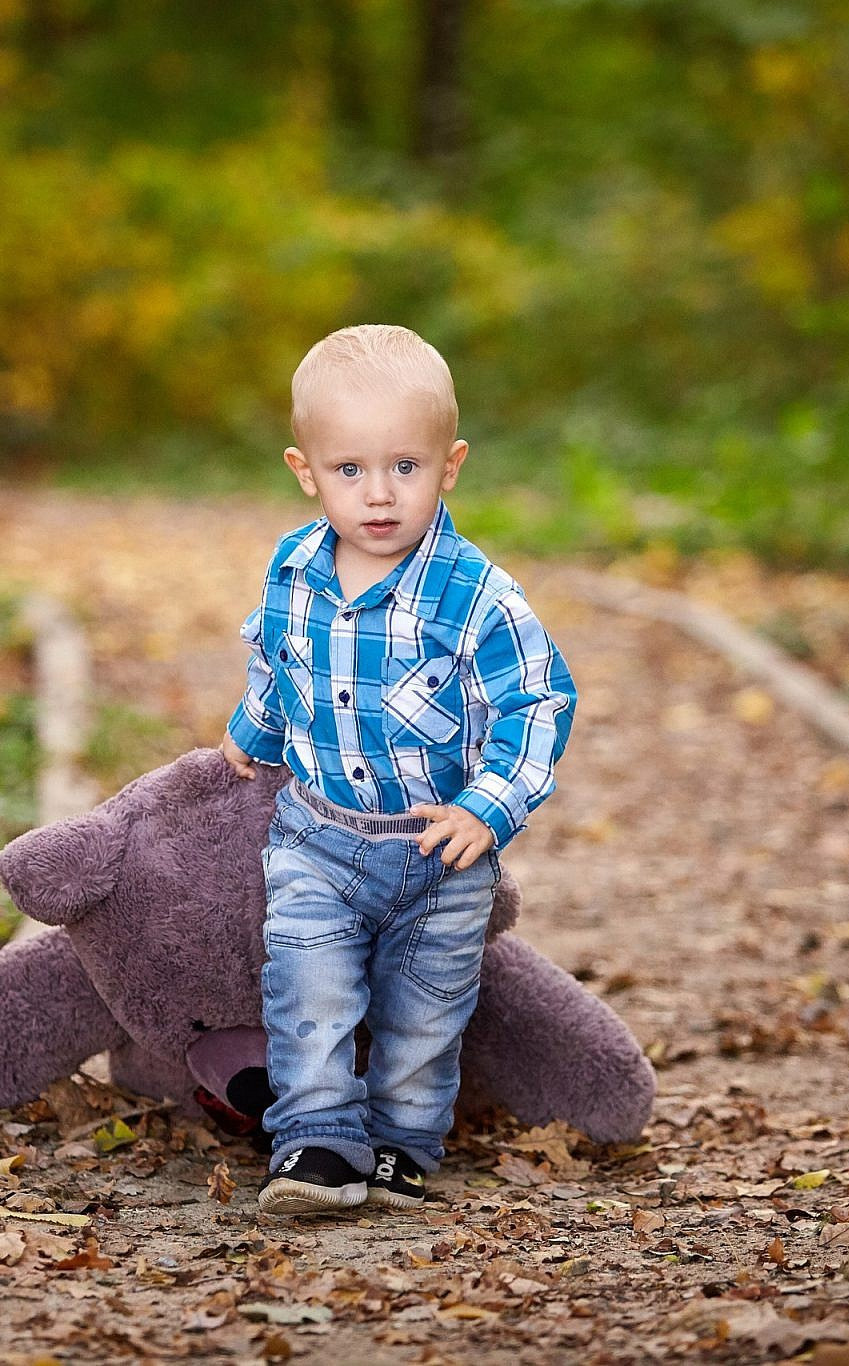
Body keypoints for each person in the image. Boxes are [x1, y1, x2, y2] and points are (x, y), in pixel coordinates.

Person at [220, 323, 577, 1215]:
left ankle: (404, 1143)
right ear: (307, 471)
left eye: (405, 468)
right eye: (350, 471)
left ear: (449, 465)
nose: (378, 495)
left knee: (423, 1013)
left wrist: (489, 807)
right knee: (307, 984)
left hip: (436, 854)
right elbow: (279, 661)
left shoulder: (477, 597)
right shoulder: (293, 567)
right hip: (319, 835)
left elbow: (535, 706)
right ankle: (316, 1145)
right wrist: (252, 733)